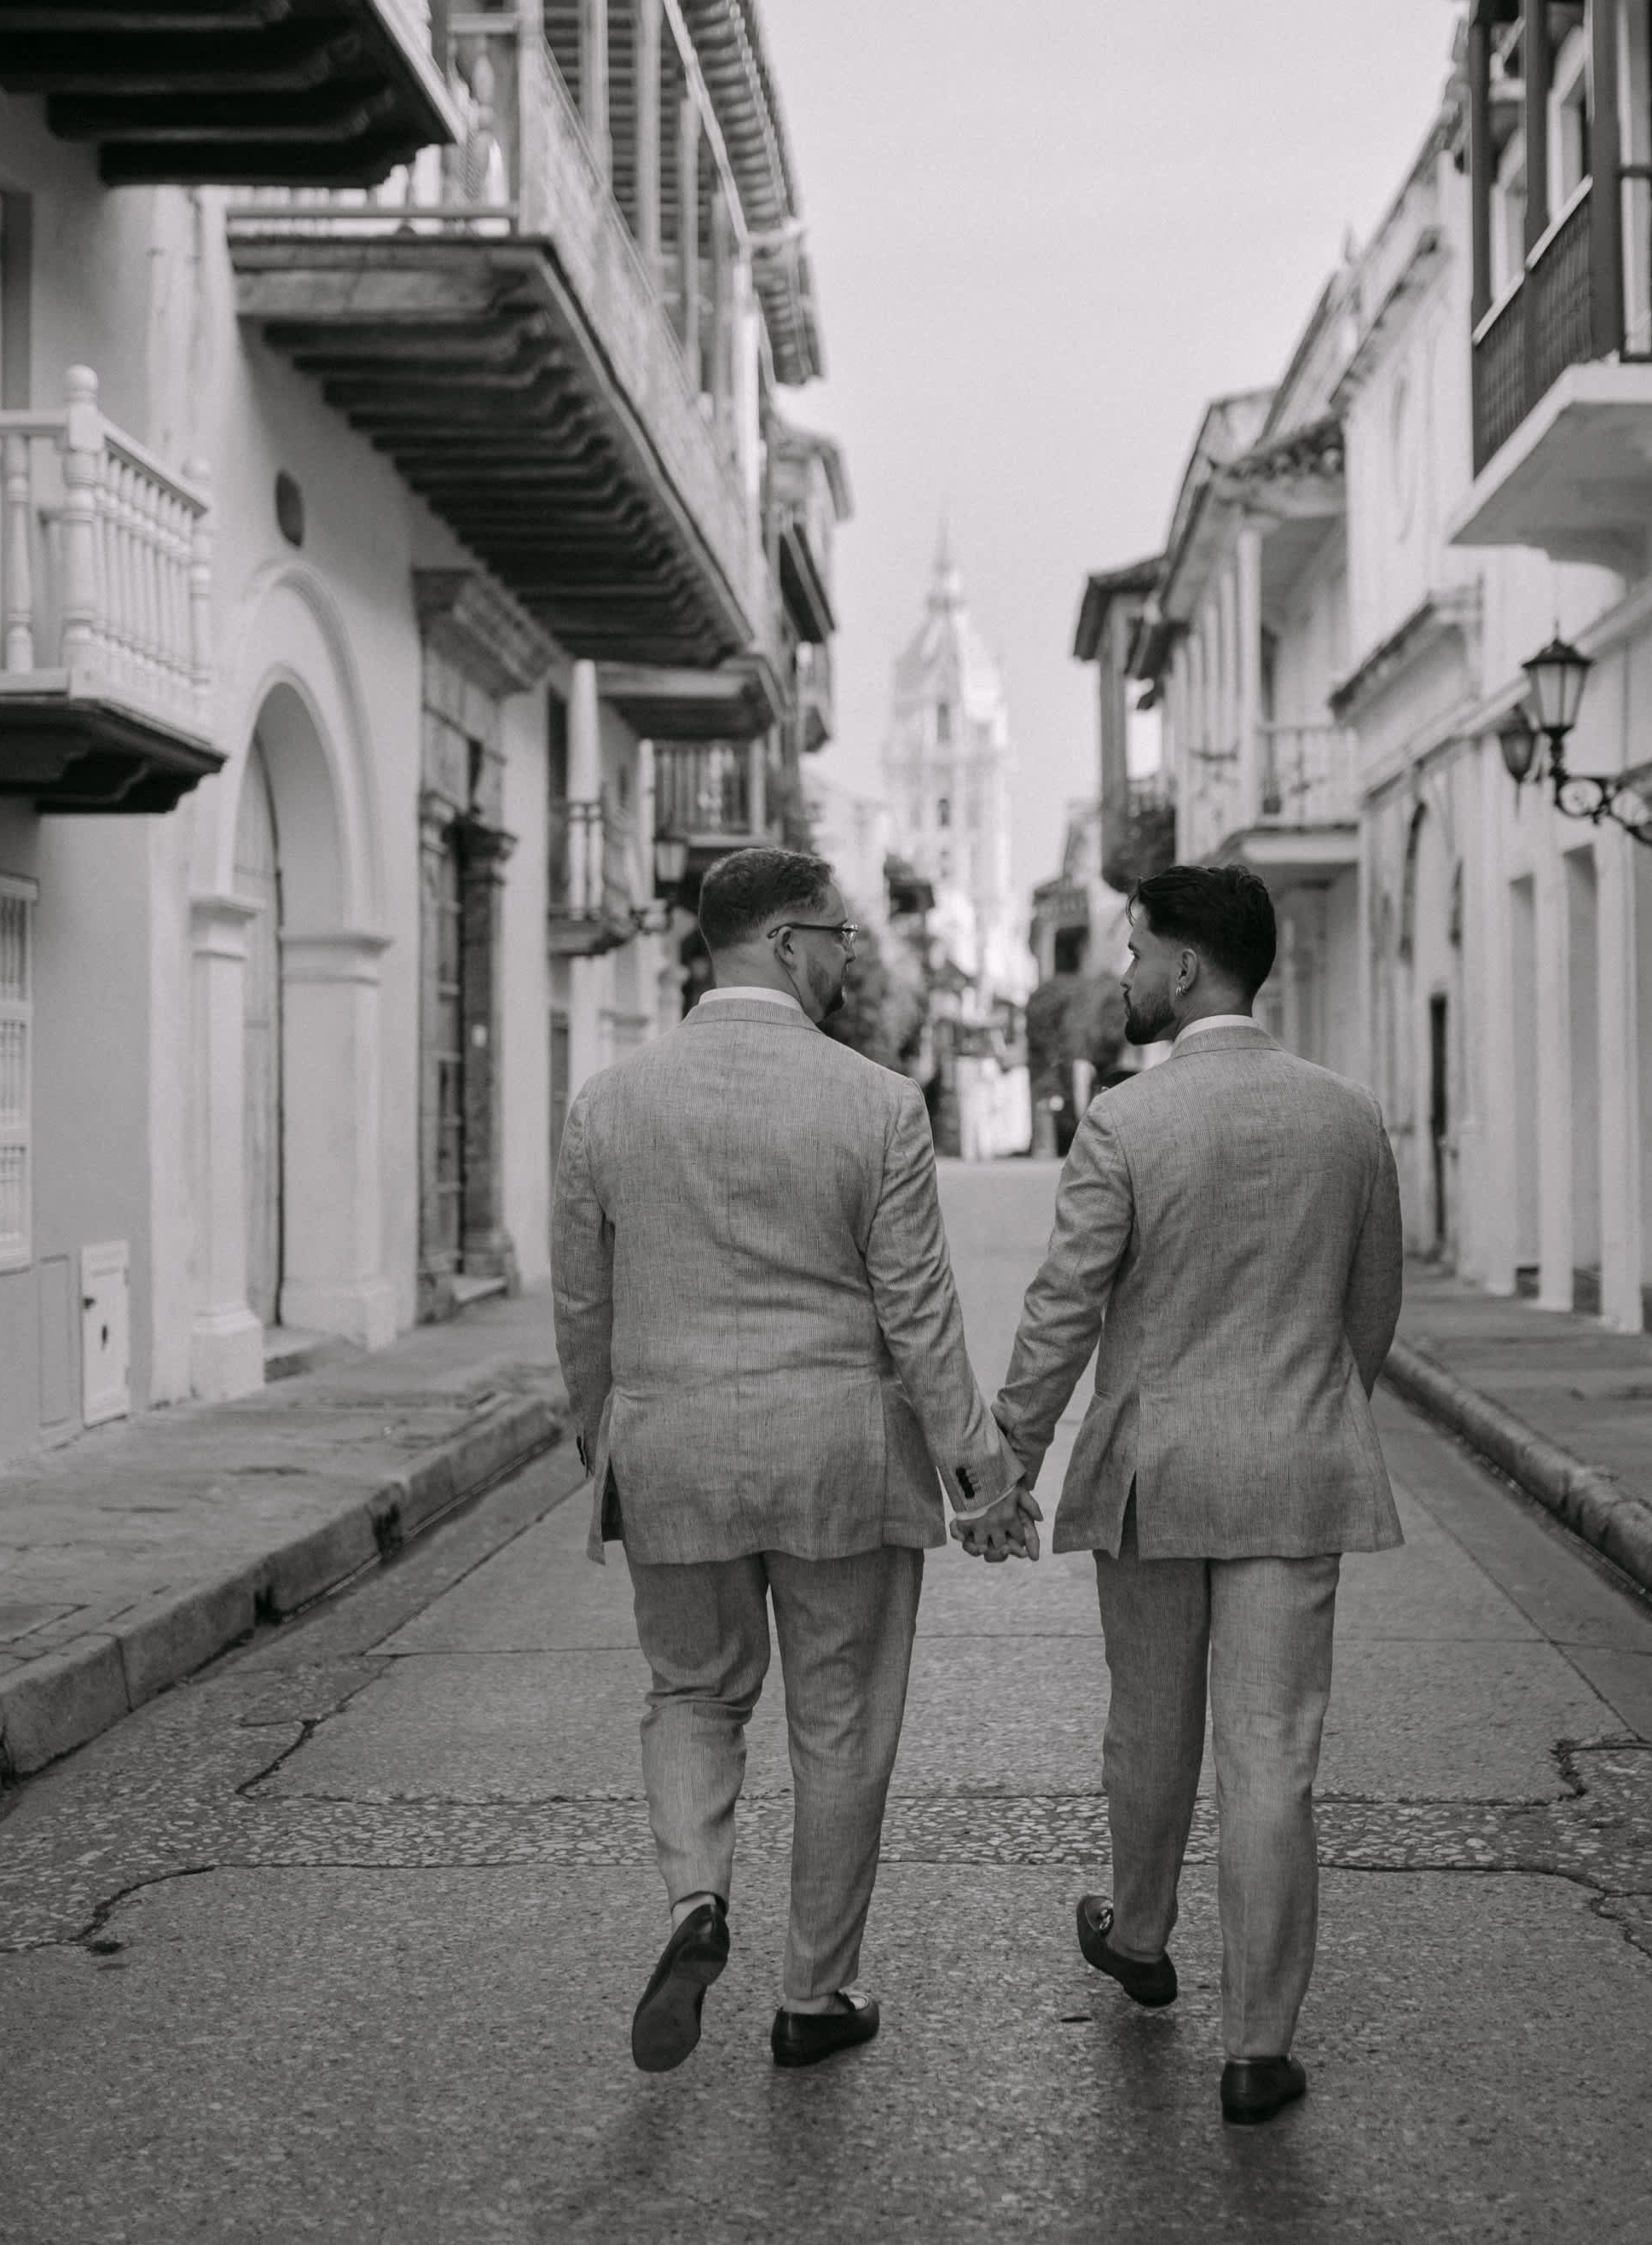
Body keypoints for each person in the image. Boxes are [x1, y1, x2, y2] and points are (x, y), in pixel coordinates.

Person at [551, 846, 1037, 2080]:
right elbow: (919, 1317)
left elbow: (581, 1309)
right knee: (840, 1726)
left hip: (671, 1450)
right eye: (834, 934)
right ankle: (813, 1995)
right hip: (838, 1458)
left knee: (692, 1694)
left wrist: (602, 1438)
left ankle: (695, 1901)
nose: (848, 954)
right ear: (780, 943)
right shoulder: (872, 1103)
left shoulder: (606, 1104)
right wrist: (979, 1478)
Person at [992, 863, 1404, 2128]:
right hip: (1293, 1461)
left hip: (1153, 1474)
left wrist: (1008, 1453)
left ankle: (1142, 1926)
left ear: (1180, 968)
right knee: (1272, 1756)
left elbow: (1064, 1308)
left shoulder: (1126, 1122)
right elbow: (1370, 1310)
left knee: (1149, 1722)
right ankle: (1257, 2048)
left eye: (1131, 951)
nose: (1122, 973)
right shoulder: (1347, 1117)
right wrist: (1310, 1415)